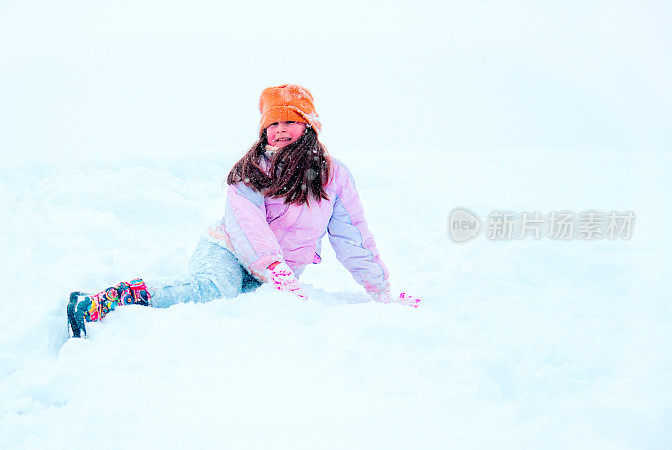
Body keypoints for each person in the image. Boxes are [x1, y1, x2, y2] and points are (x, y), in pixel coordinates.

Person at [67, 84, 419, 338]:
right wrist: (275, 266)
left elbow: (351, 234)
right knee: (214, 290)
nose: (280, 130)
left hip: (275, 270)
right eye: (273, 124)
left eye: (289, 122)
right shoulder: (252, 170)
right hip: (229, 250)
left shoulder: (334, 175)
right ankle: (113, 298)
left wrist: (379, 289)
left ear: (309, 126)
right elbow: (245, 222)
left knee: (257, 318)